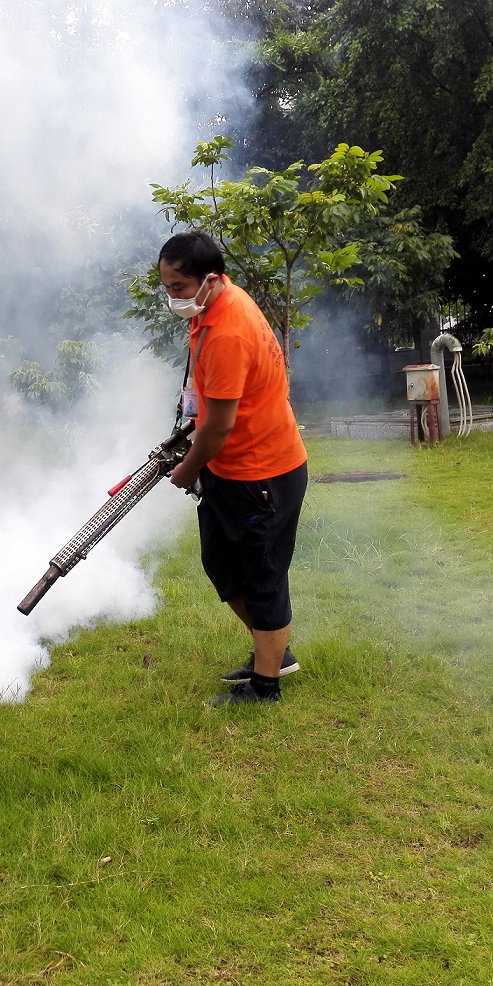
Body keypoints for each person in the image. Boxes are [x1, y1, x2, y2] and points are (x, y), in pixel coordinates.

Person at [159, 231, 310, 705]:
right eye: (165, 286)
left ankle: (266, 685)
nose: (172, 297)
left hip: (259, 471)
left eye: (178, 287)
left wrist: (186, 468)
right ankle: (274, 650)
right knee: (221, 562)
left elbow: (220, 426)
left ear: (207, 280)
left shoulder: (227, 331)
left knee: (261, 575)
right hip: (232, 468)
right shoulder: (219, 300)